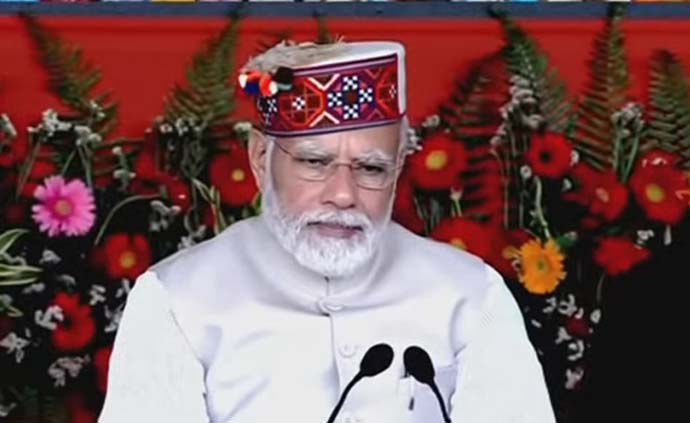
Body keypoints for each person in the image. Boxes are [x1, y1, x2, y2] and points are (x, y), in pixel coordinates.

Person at [98, 39, 555, 423]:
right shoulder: (177, 300)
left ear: (398, 168)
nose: (342, 194)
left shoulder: (471, 295)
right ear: (261, 158)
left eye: (371, 168)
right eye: (315, 162)